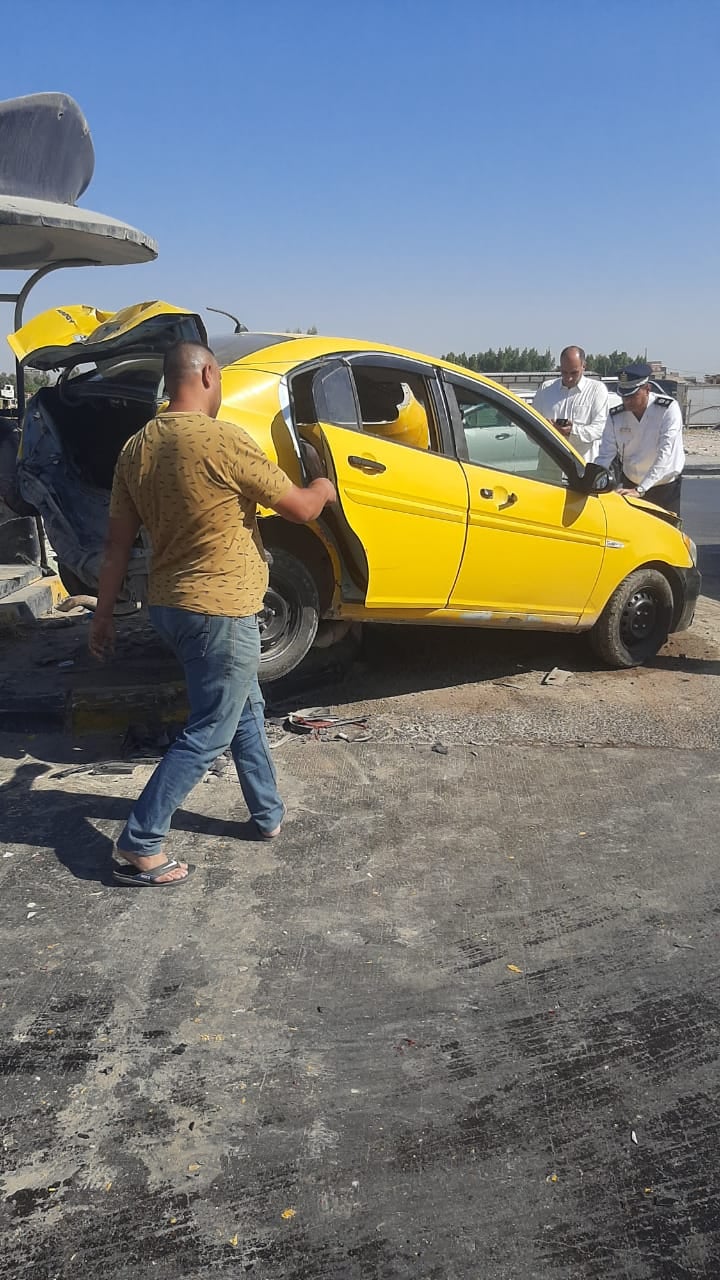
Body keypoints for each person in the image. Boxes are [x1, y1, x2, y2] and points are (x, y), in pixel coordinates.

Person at [88, 341, 336, 887]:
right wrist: (323, 485)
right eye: (219, 380)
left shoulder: (137, 447)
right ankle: (140, 843)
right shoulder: (223, 439)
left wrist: (102, 616)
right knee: (211, 730)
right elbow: (299, 508)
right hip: (219, 609)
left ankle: (267, 814)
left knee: (243, 710)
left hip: (171, 607)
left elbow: (115, 545)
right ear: (207, 374)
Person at [595, 362, 685, 514]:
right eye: (624, 396)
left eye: (632, 395)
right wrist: (594, 479)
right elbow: (605, 454)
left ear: (647, 389)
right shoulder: (616, 416)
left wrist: (641, 489)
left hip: (664, 487)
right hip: (631, 484)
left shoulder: (667, 409)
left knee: (665, 528)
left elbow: (665, 453)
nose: (627, 401)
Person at [532, 346, 609, 462]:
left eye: (574, 372)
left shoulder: (597, 390)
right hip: (549, 466)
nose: (568, 378)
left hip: (581, 465)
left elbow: (600, 429)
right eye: (564, 372)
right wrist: (546, 430)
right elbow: (531, 427)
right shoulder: (545, 389)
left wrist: (572, 431)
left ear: (584, 366)